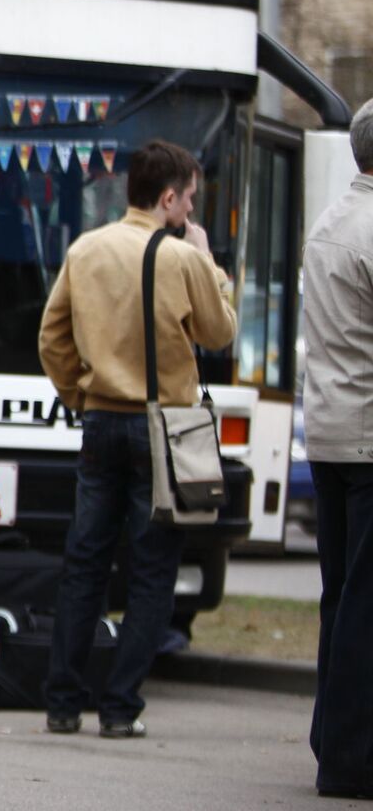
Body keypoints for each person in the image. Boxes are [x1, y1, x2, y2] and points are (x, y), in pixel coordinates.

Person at [38, 139, 236, 738]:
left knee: (85, 563)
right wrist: (212, 266)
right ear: (169, 197)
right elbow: (219, 332)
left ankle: (63, 703)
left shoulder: (86, 248)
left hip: (99, 419)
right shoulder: (181, 258)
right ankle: (120, 708)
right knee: (152, 571)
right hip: (163, 429)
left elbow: (52, 339)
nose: (192, 213)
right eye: (190, 200)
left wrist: (81, 394)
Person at [301, 100, 373, 799]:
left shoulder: (331, 219)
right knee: (363, 601)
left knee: (340, 596)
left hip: (329, 429)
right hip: (367, 434)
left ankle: (332, 735)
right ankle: (349, 756)